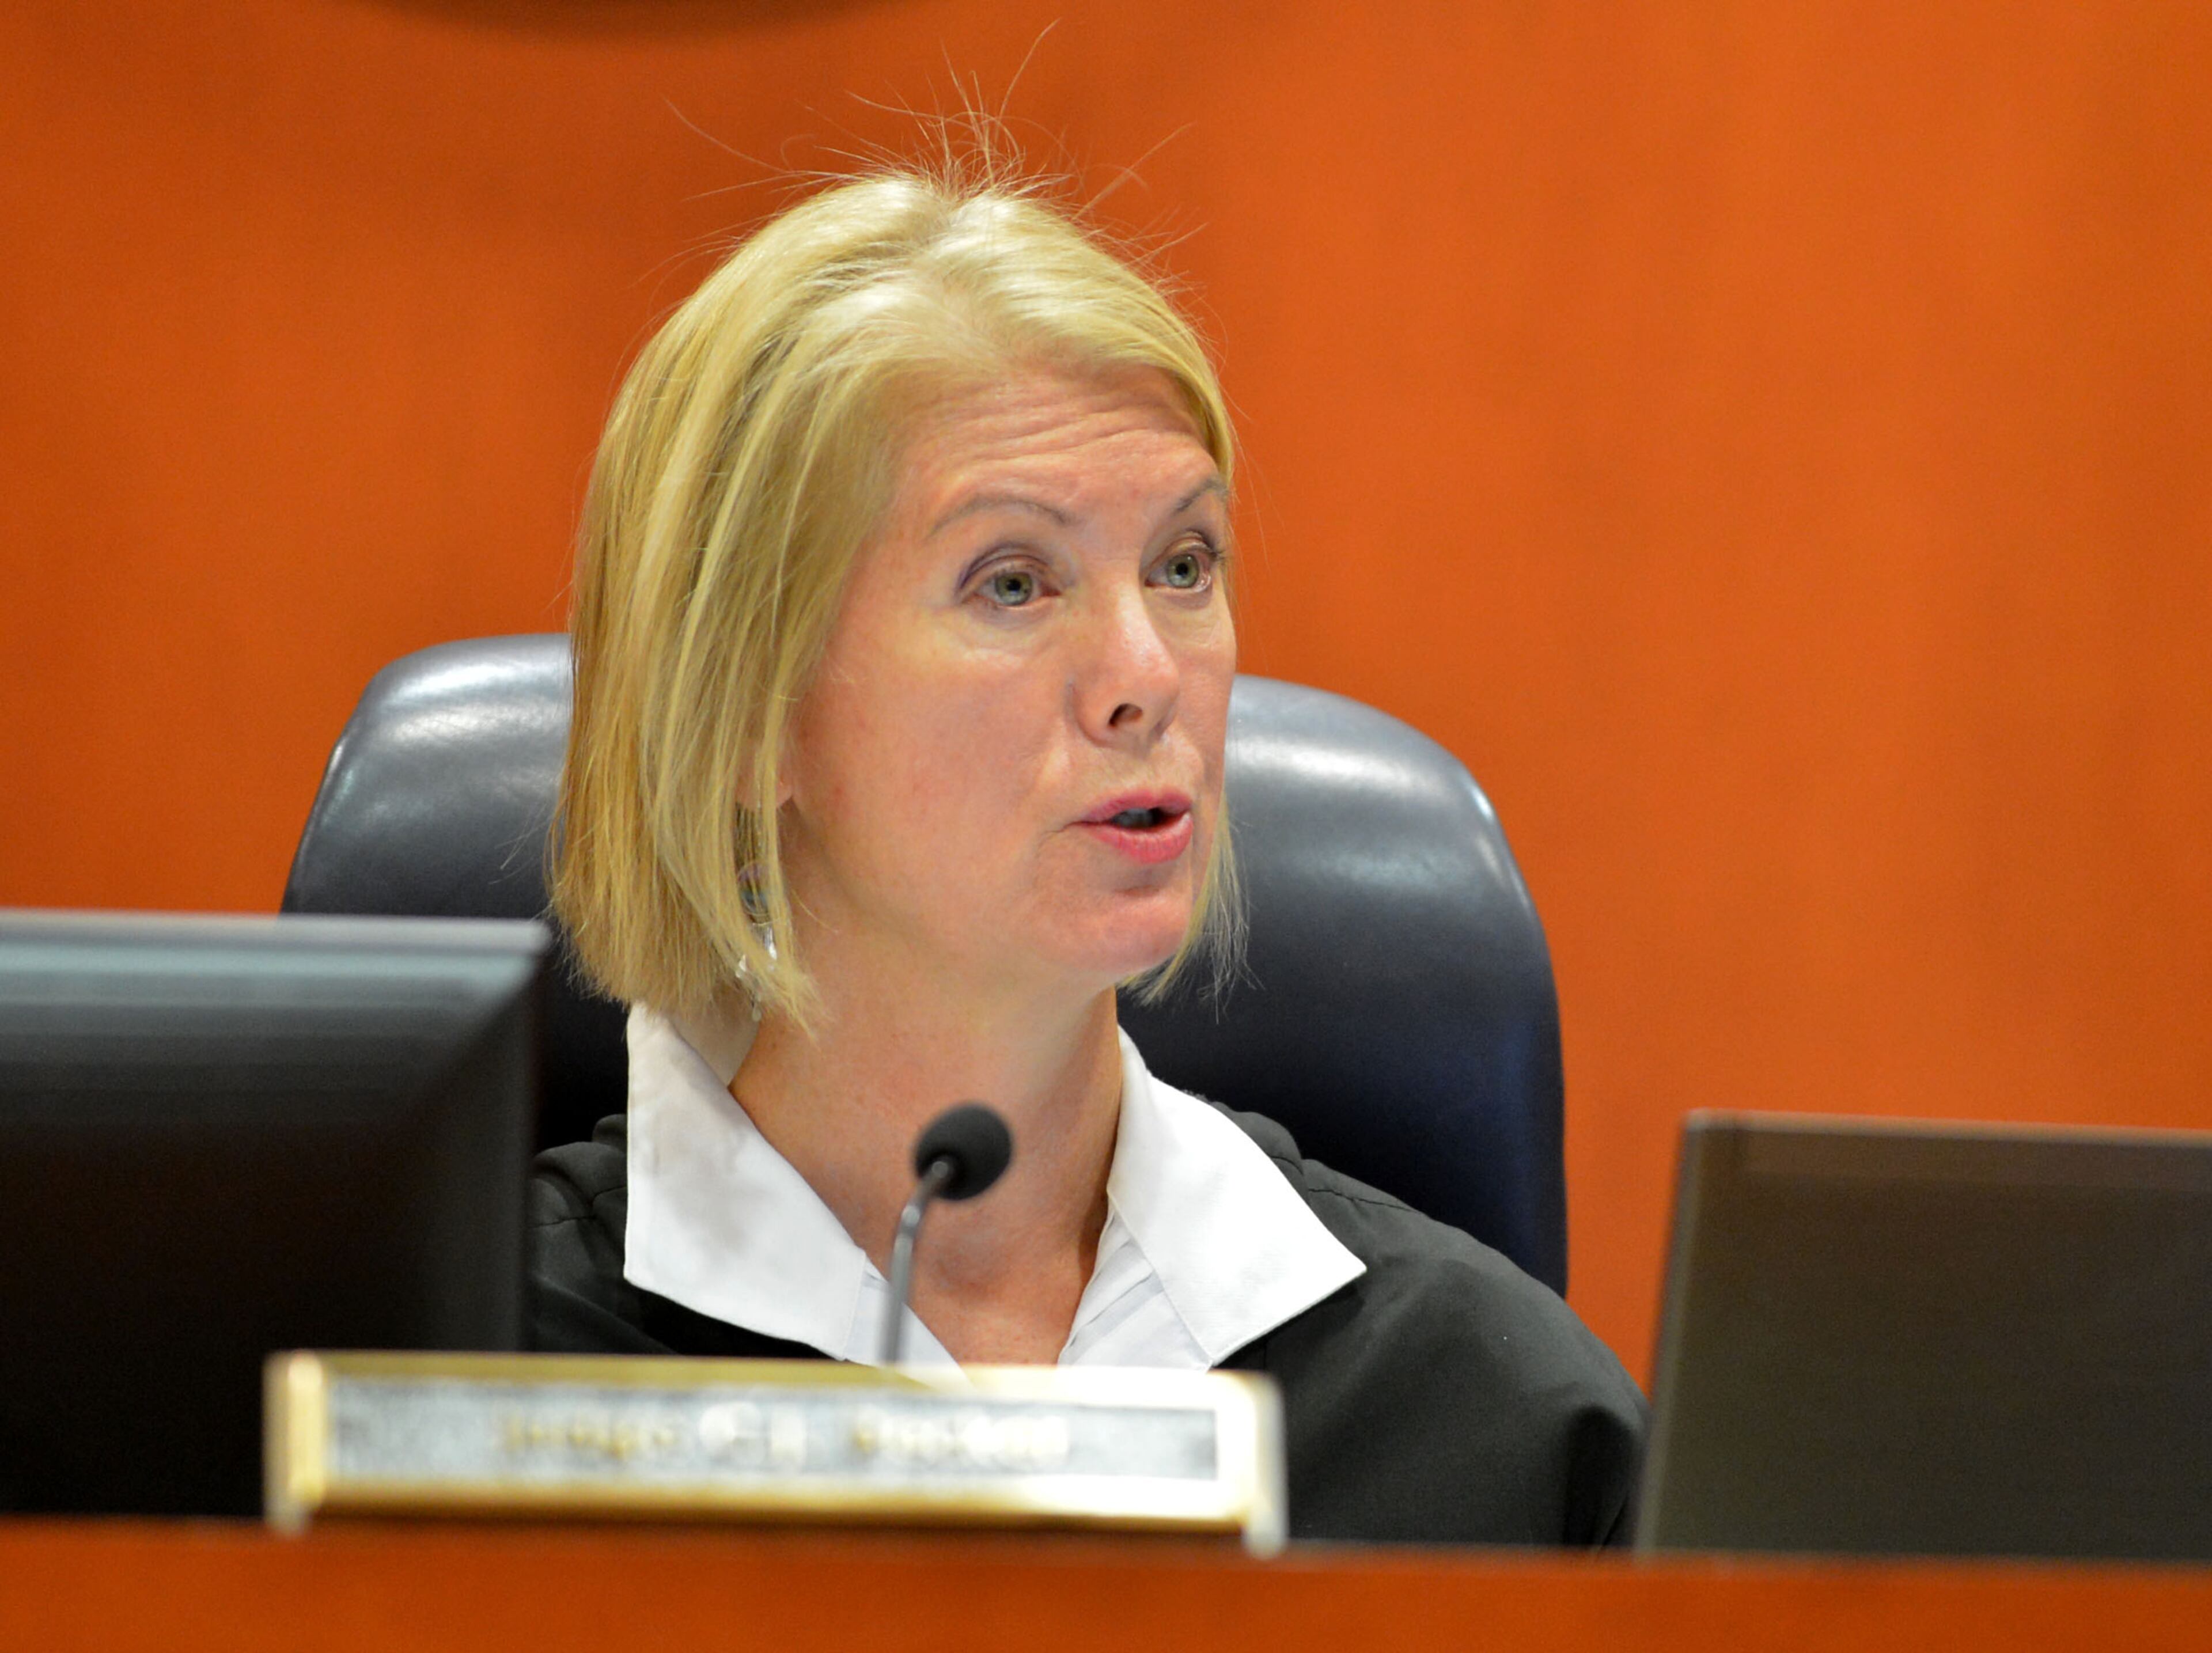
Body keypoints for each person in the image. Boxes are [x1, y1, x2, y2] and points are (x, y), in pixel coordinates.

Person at [528, 157, 1646, 1545]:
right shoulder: (454, 1378)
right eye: (1014, 580)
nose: (1146, 676)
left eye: (1183, 565)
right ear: (751, 712)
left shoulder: (1504, 1426)